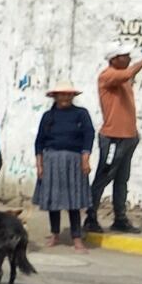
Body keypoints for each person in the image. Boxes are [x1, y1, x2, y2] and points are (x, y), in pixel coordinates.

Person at [86, 43, 142, 234]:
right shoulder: (108, 75)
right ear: (114, 59)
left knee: (121, 179)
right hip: (113, 137)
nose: (128, 58)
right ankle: (90, 217)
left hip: (128, 137)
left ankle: (120, 218)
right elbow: (129, 73)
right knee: (104, 177)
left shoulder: (123, 78)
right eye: (124, 56)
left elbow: (129, 76)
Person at [33, 83, 97, 249]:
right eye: (61, 95)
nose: (65, 98)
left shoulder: (81, 114)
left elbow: (88, 135)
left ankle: (76, 237)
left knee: (73, 201)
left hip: (74, 161)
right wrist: (39, 165)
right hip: (51, 160)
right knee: (53, 200)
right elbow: (39, 141)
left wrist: (85, 158)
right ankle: (55, 234)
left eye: (68, 95)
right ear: (55, 96)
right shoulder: (48, 116)